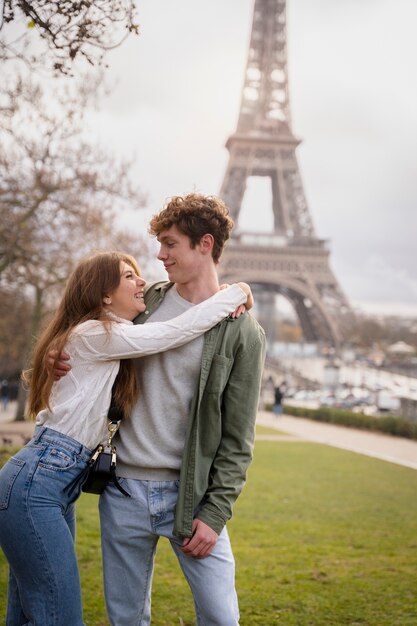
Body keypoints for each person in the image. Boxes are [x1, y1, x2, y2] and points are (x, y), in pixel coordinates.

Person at [0, 250, 253, 626]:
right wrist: (236, 293)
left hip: (49, 483)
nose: (141, 282)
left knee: (28, 613)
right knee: (60, 616)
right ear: (104, 295)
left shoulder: (100, 335)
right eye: (129, 276)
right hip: (38, 482)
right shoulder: (97, 333)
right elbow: (172, 331)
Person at [54, 193, 266, 626]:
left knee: (221, 617)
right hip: (123, 490)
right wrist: (56, 355)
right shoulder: (140, 304)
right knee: (126, 619)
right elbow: (79, 331)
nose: (160, 254)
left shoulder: (242, 331)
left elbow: (238, 439)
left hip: (190, 499)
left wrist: (215, 513)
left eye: (170, 244)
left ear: (204, 244)